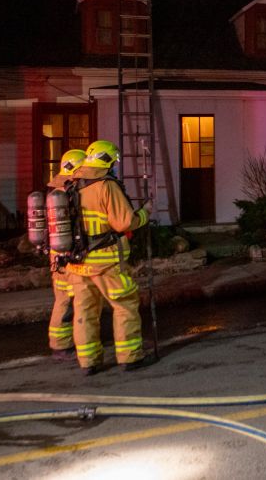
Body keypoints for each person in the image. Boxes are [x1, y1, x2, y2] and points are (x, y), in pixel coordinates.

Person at [66, 139, 153, 375]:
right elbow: (124, 222)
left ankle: (88, 362)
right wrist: (145, 213)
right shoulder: (106, 186)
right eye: (114, 162)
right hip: (106, 262)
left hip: (78, 264)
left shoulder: (72, 184)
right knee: (125, 305)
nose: (115, 167)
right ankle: (130, 357)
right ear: (107, 162)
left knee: (85, 312)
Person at [45, 149, 86, 362]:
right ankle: (64, 345)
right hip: (68, 257)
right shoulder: (70, 193)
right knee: (72, 300)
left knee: (63, 299)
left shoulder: (54, 192)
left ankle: (63, 342)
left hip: (56, 256)